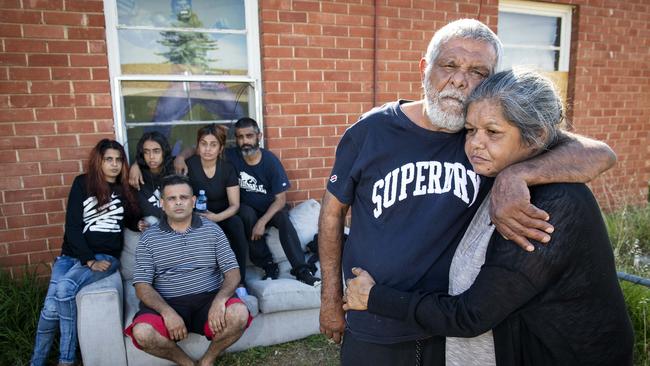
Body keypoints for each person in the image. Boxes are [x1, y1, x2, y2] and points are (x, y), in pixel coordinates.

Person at [318, 19, 617, 365]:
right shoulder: (371, 131)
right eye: (449, 65)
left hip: (446, 329)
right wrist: (329, 300)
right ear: (424, 68)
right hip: (373, 320)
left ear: (491, 82)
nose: (460, 80)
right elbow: (332, 212)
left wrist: (517, 174)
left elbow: (600, 154)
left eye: (477, 71)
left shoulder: (497, 136)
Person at [31, 139, 140, 366]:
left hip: (105, 257)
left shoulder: (123, 190)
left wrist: (138, 224)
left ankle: (66, 360)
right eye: (108, 159)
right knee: (50, 310)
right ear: (98, 161)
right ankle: (36, 361)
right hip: (72, 256)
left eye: (118, 160)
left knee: (65, 287)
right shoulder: (82, 184)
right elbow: (72, 227)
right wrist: (87, 259)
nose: (114, 165)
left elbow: (129, 220)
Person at [123, 174, 251, 366]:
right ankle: (187, 363)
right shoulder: (149, 238)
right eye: (171, 198)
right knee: (142, 333)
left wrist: (220, 300)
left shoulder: (213, 230)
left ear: (193, 201)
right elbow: (142, 285)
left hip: (208, 298)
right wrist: (167, 312)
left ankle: (207, 360)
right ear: (162, 203)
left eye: (183, 198)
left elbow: (233, 272)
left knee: (239, 314)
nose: (178, 203)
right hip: (168, 301)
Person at [224, 117, 321, 286]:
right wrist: (181, 157)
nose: (245, 141)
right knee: (245, 213)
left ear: (259, 136)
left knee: (283, 218)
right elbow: (200, 150)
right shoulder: (232, 156)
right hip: (249, 210)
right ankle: (268, 265)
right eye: (240, 137)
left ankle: (302, 270)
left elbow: (280, 199)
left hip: (271, 208)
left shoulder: (270, 161)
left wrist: (262, 222)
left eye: (249, 136)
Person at [185, 123, 250, 288]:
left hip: (222, 215)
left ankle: (240, 282)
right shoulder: (189, 165)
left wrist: (216, 218)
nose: (208, 149)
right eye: (203, 144)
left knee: (236, 224)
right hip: (196, 216)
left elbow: (235, 205)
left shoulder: (227, 168)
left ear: (221, 148)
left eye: (213, 145)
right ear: (198, 145)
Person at [133, 131, 175, 222]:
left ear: (164, 152)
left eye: (156, 151)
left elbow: (191, 149)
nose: (151, 156)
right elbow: (144, 208)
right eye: (146, 152)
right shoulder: (138, 175)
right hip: (150, 224)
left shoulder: (174, 169)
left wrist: (181, 157)